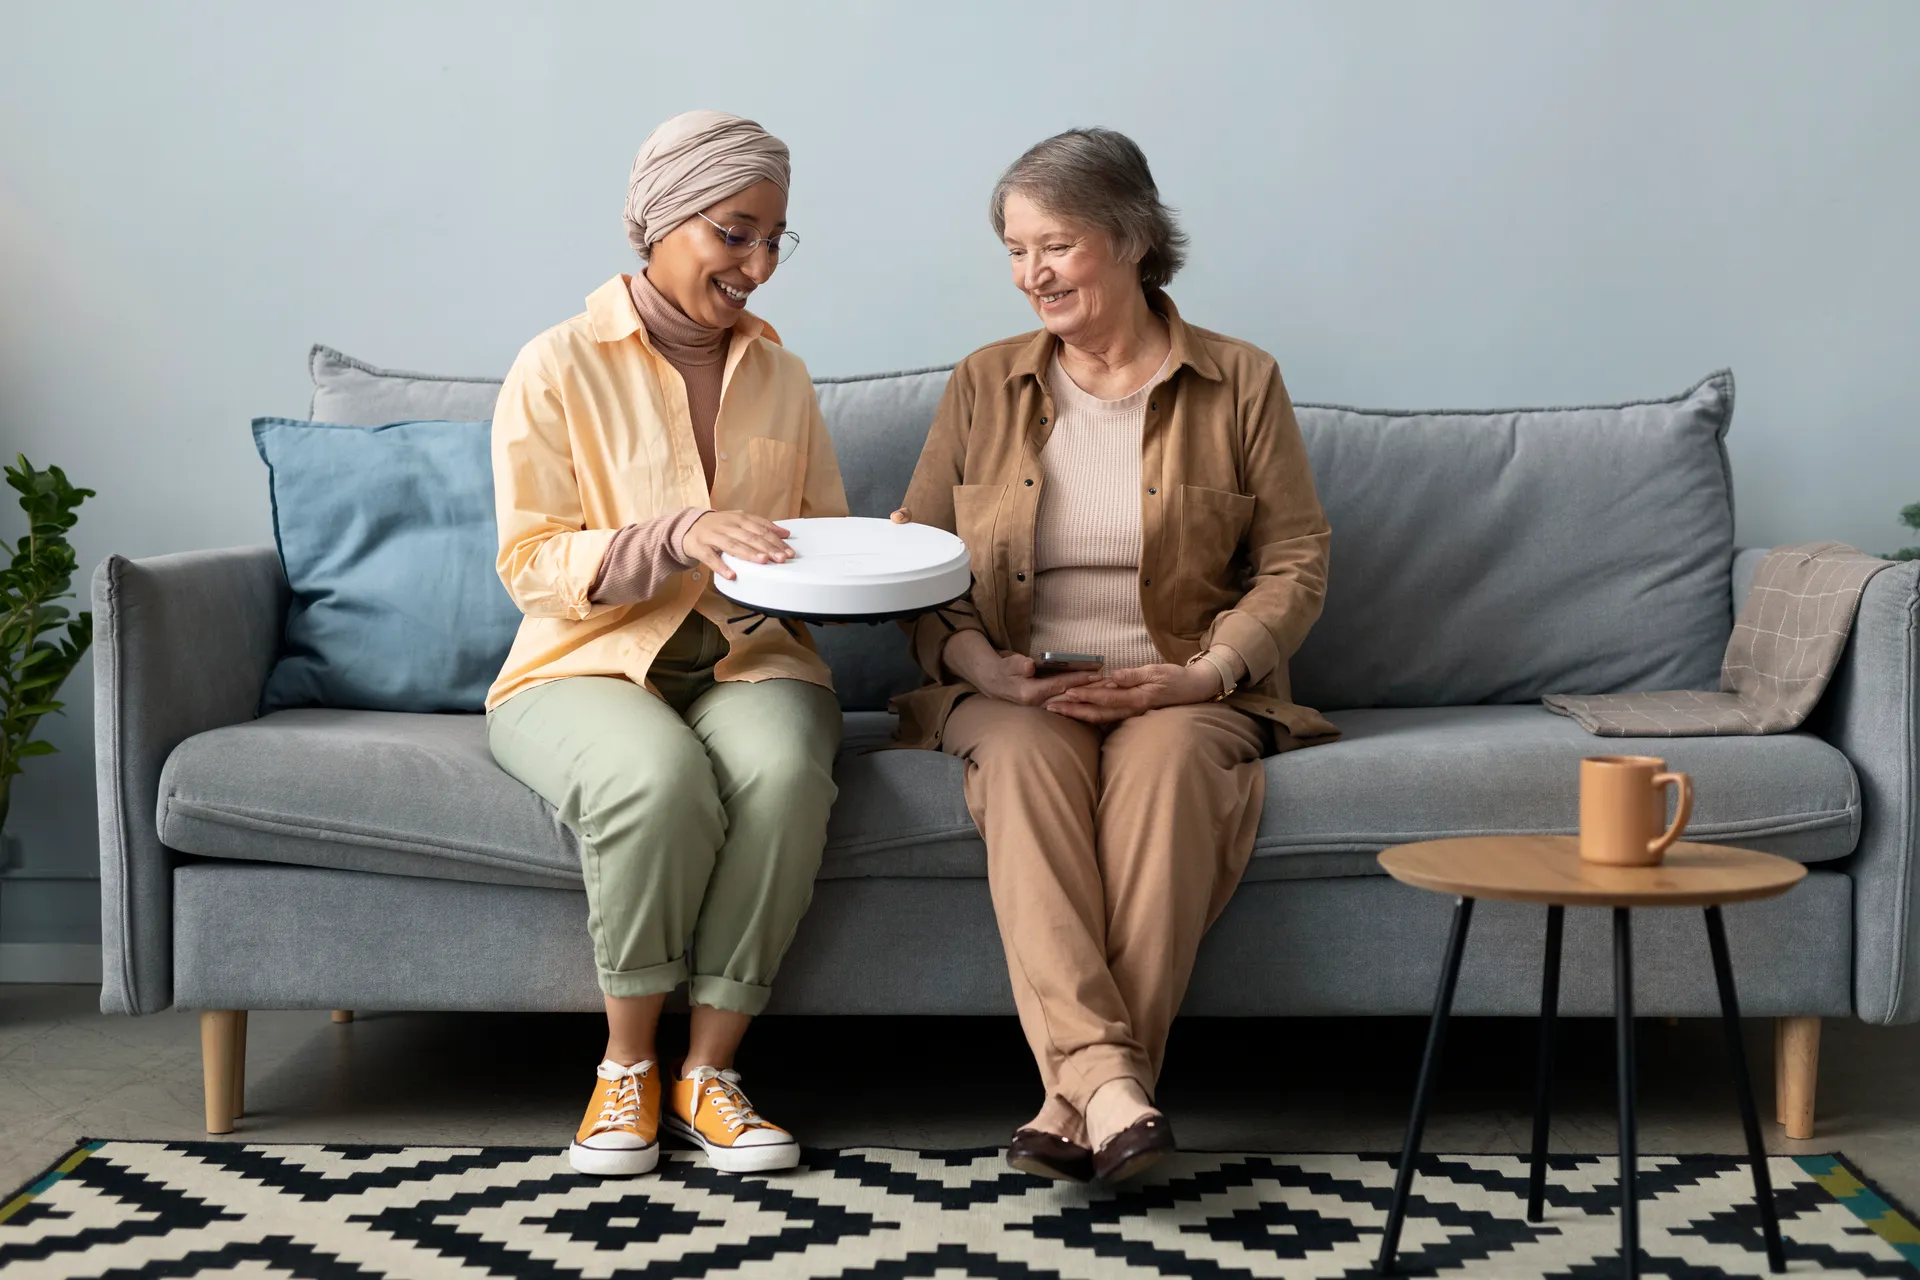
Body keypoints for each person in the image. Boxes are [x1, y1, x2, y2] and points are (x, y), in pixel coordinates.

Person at [891, 128, 1339, 1184]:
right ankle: (1114, 1085)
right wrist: (977, 661)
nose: (1031, 273)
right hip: (1013, 681)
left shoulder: (1241, 381)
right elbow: (917, 560)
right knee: (1026, 762)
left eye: (1056, 244)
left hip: (1181, 680)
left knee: (1173, 770)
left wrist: (1206, 672)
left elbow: (1295, 560)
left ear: (1133, 240)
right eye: (1014, 248)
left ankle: (1073, 1095)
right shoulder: (982, 384)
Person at [487, 110, 846, 1178]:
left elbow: (819, 532)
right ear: (661, 220)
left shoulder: (784, 375)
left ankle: (710, 1075)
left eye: (776, 238)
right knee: (655, 775)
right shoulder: (556, 363)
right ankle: (628, 1068)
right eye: (736, 233)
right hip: (581, 660)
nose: (760, 264)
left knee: (784, 770)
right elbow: (530, 560)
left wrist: (846, 571)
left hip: (750, 655)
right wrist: (674, 533)